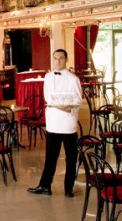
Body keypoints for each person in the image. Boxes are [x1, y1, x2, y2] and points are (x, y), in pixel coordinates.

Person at [28, 49, 82, 197]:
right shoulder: (48, 77)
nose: (58, 61)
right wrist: (63, 103)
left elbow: (77, 100)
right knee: (50, 156)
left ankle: (68, 188)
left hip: (68, 123)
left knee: (71, 157)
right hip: (53, 121)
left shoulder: (73, 79)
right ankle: (45, 185)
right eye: (55, 58)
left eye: (61, 58)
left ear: (66, 59)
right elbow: (48, 98)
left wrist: (62, 103)